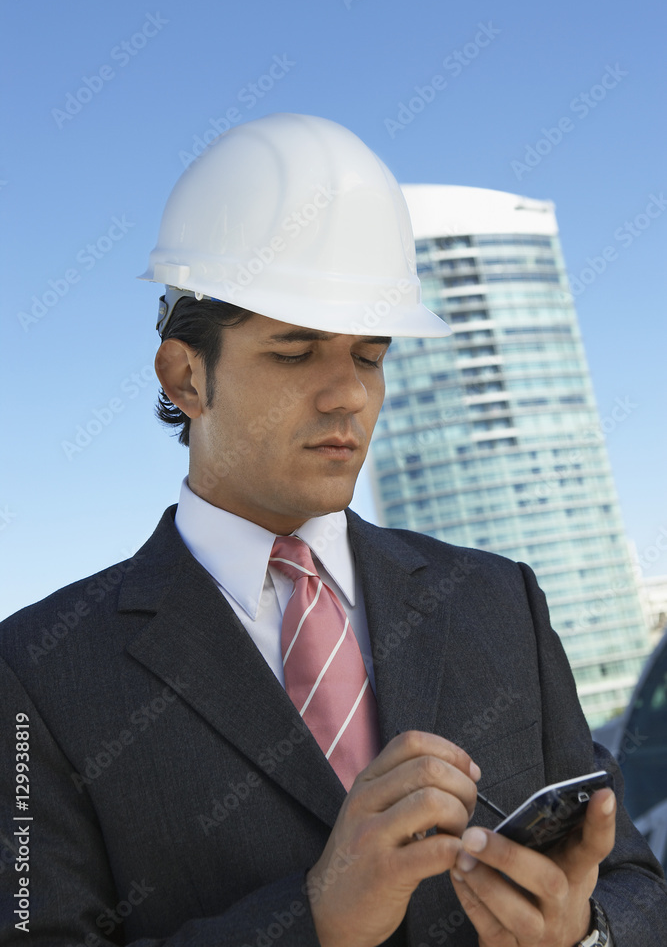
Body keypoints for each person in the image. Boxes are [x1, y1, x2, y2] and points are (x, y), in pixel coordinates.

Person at [0, 113, 665, 947]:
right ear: (185, 375)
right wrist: (316, 914)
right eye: (294, 352)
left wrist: (583, 934)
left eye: (369, 356)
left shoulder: (499, 601)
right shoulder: (37, 675)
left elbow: (634, 884)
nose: (346, 393)